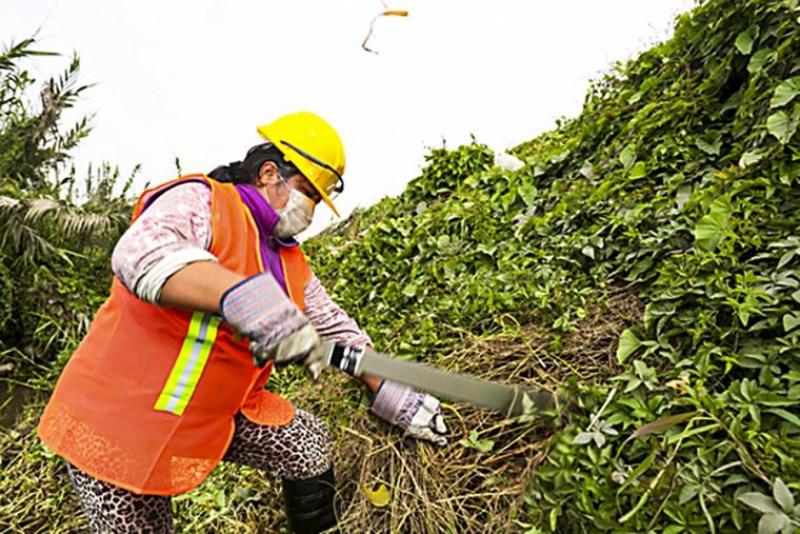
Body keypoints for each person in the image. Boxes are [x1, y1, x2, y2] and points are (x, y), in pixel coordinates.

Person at [37, 111, 448, 533]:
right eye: (307, 192)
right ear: (270, 174)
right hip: (120, 419)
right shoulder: (202, 201)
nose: (310, 210)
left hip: (215, 410)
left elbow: (333, 326)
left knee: (308, 446)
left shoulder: (289, 258)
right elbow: (138, 255)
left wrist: (388, 388)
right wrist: (243, 298)